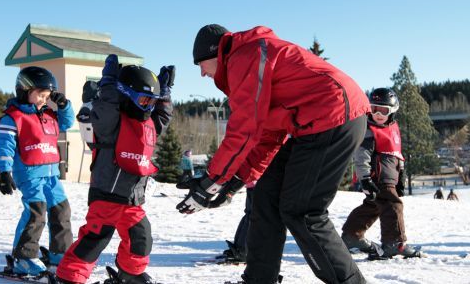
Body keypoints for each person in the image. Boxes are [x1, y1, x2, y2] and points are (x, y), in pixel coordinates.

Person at [177, 24, 370, 284]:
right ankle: (259, 279)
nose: (201, 73)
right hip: (315, 122)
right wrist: (233, 183)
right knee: (266, 196)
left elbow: (243, 129)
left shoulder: (244, 56)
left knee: (301, 211)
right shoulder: (250, 58)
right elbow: (267, 135)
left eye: (201, 64)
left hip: (333, 117)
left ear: (216, 53)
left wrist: (211, 182)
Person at [56, 55, 174, 284]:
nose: (148, 107)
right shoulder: (111, 122)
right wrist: (108, 81)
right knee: (96, 238)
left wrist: (165, 94)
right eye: (143, 101)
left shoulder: (148, 125)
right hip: (107, 193)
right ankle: (69, 277)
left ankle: (130, 273)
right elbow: (106, 104)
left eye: (151, 102)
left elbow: (163, 116)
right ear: (126, 95)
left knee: (141, 237)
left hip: (132, 199)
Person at [0, 66, 75, 276]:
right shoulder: (13, 118)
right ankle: (24, 257)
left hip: (51, 175)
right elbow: (4, 146)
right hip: (29, 175)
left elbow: (67, 122)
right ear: (23, 90)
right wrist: (4, 172)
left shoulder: (49, 115)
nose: (43, 100)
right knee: (36, 213)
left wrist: (64, 105)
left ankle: (60, 255)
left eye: (47, 96)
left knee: (61, 211)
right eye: (40, 95)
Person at [341, 88, 423, 260]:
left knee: (373, 206)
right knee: (393, 205)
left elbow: (395, 154)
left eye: (383, 110)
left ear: (393, 110)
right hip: (377, 176)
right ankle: (394, 243)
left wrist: (399, 175)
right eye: (374, 109)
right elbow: (361, 156)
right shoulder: (369, 130)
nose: (377, 114)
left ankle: (351, 236)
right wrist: (364, 178)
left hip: (387, 175)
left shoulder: (392, 127)